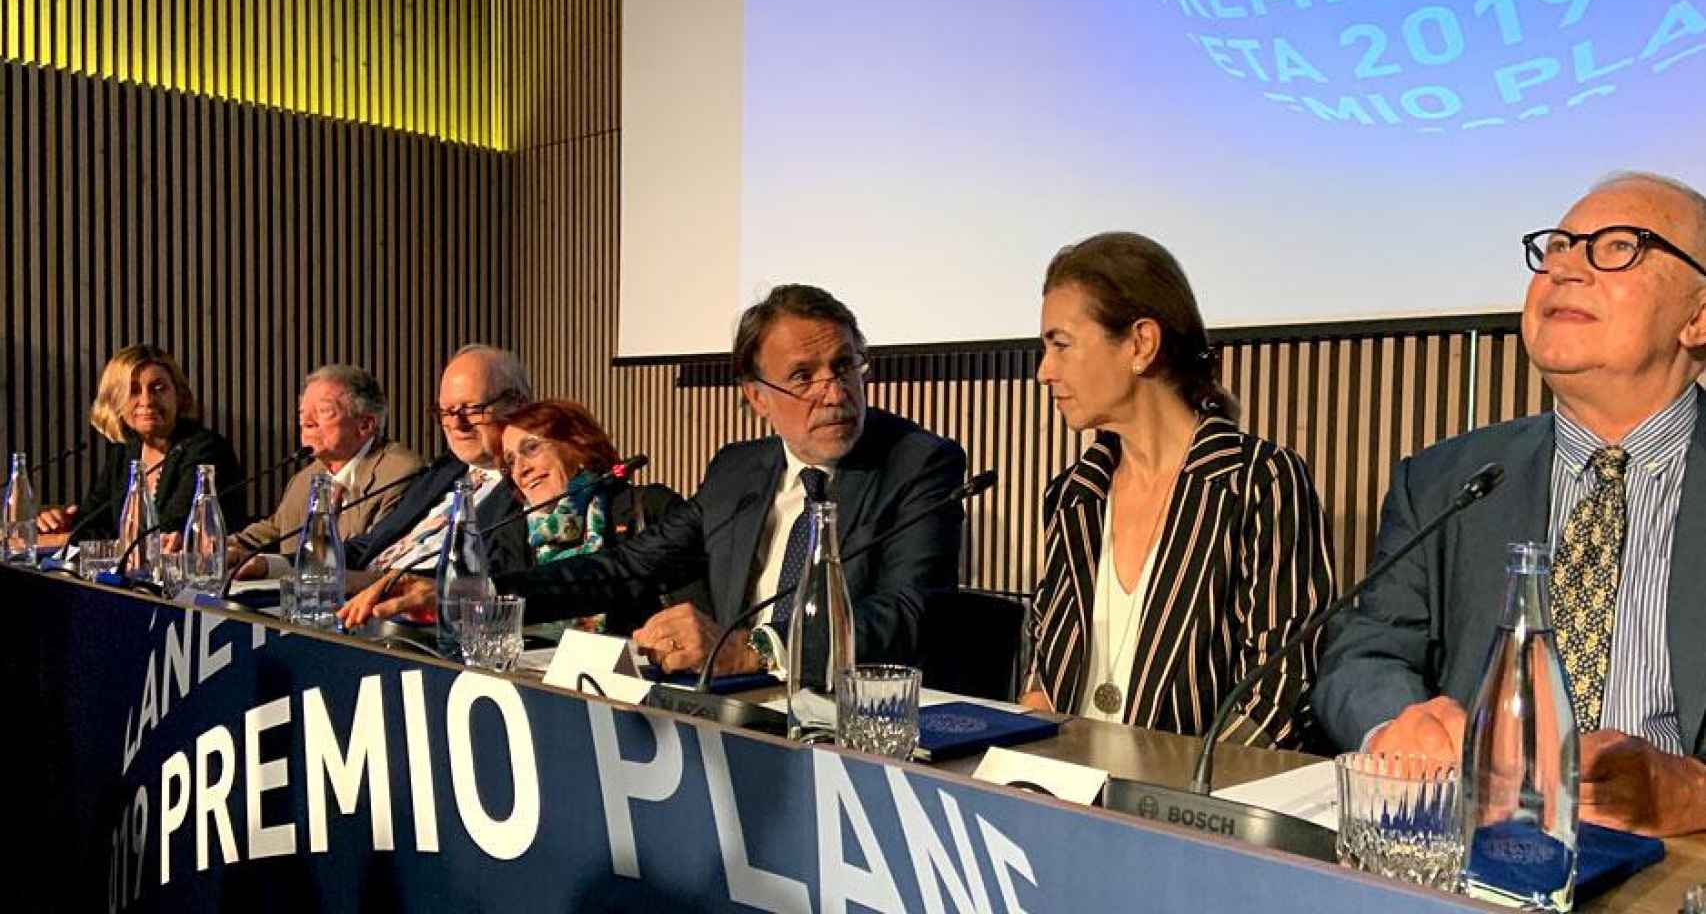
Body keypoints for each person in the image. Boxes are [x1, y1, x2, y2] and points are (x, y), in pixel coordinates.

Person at [1314, 172, 1706, 836]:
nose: (1565, 269)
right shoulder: (1445, 481)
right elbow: (1364, 653)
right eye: (1557, 247)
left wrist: (1699, 796)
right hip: (1477, 855)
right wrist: (1397, 722)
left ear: (1697, 317)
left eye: (1616, 247)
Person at [342, 285, 967, 676]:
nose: (834, 392)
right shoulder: (738, 471)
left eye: (846, 365)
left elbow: (908, 615)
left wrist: (758, 648)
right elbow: (621, 568)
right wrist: (472, 595)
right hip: (728, 717)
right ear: (755, 397)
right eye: (803, 376)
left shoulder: (917, 463)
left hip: (842, 724)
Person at [1019, 232, 1336, 748]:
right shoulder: (1073, 495)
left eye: (1060, 345)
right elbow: (1046, 662)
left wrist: (1176, 802)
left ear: (1141, 343)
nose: (1044, 371)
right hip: (1064, 801)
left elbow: (1278, 691)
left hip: (1189, 812)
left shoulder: (1260, 481)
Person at [495, 399, 701, 636]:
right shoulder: (512, 536)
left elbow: (696, 618)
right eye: (510, 462)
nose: (520, 470)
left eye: (531, 448)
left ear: (577, 445)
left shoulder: (648, 507)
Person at [339, 344, 534, 580]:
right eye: (446, 411)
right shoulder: (444, 469)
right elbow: (370, 545)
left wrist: (376, 585)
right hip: (352, 598)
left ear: (518, 405)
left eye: (472, 409)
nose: (457, 424)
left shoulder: (533, 481)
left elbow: (492, 578)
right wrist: (288, 564)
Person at [228, 365, 423, 577]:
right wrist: (218, 547)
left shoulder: (400, 473)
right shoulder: (304, 479)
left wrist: (269, 565)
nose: (306, 422)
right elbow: (273, 531)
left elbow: (372, 557)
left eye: (323, 411)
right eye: (302, 413)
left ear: (365, 425)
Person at [36, 344, 246, 538]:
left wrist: (71, 539)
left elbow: (169, 530)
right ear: (115, 400)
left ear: (178, 394)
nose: (147, 401)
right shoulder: (126, 450)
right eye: (134, 390)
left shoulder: (206, 450)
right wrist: (63, 523)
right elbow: (93, 521)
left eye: (158, 388)